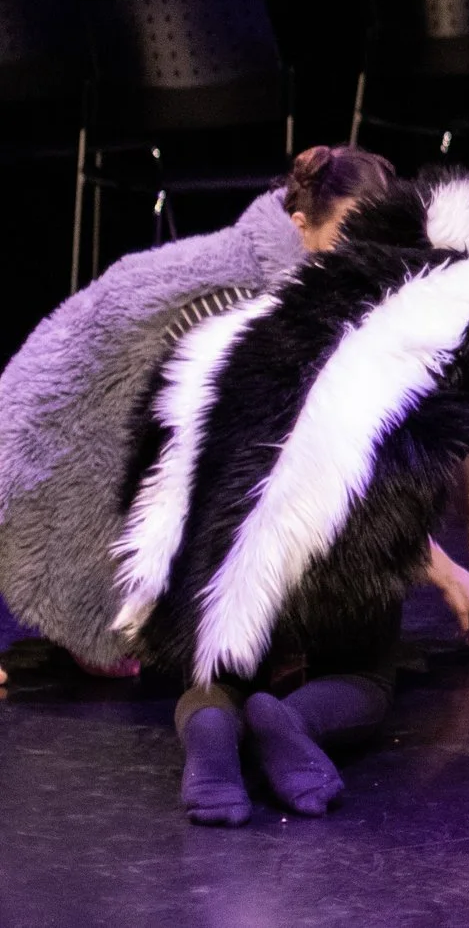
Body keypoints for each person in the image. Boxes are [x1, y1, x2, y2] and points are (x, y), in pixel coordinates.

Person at [39, 168, 469, 824]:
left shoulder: (436, 299)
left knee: (220, 675)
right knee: (364, 679)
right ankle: (289, 719)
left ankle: (214, 734)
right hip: (340, 519)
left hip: (228, 495)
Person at [0, 145, 442, 686]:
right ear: (300, 225)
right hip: (65, 423)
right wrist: (436, 565)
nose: (365, 248)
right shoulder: (248, 297)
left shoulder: (296, 277)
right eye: (350, 231)